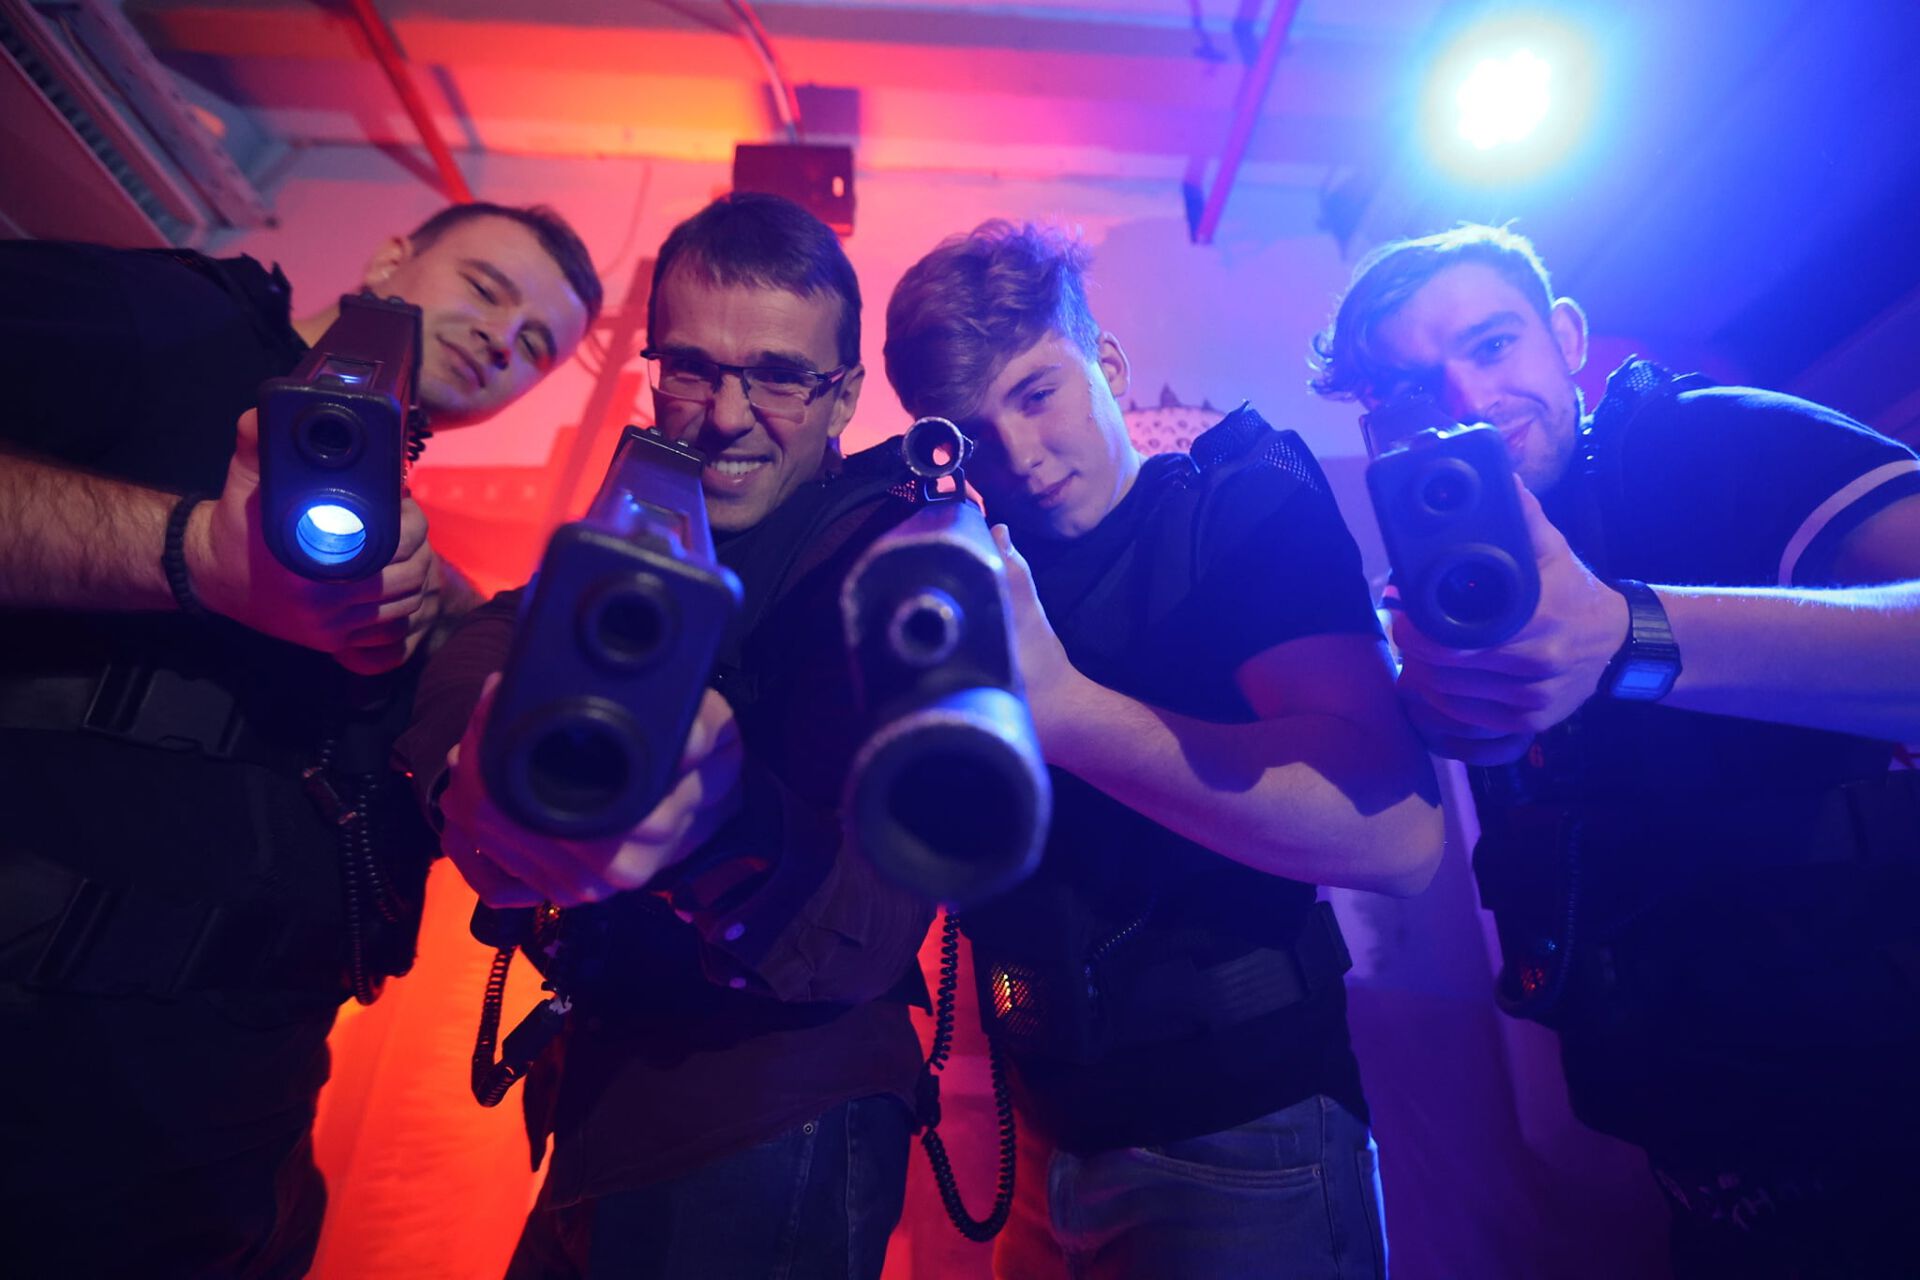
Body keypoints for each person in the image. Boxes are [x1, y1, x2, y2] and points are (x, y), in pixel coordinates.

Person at [0, 202, 599, 1278]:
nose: (499, 339)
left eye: (534, 346)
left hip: (220, 1158)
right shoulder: (182, 325)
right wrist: (188, 551)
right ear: (390, 255)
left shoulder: (412, 561)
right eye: (485, 288)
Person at [1310, 223, 1920, 1278]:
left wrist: (1630, 635)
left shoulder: (1710, 443)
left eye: (1493, 345)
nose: (1467, 399)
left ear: (1567, 337)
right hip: (1708, 1166)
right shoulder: (1465, 566)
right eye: (1411, 389)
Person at [882, 221, 1444, 1279]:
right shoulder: (968, 576)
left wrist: (1070, 714)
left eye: (1038, 393)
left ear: (1108, 363)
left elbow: (1399, 833)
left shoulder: (1238, 510)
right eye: (975, 432)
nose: (1020, 454)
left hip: (1245, 1130)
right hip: (1043, 1126)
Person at [396, 192, 935, 1279]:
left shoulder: (897, 567)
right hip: (617, 1104)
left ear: (844, 398)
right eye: (692, 368)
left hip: (768, 1119)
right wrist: (472, 760)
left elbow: (874, 922)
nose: (728, 414)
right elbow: (499, 630)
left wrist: (724, 820)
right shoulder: (653, 518)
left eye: (778, 377)